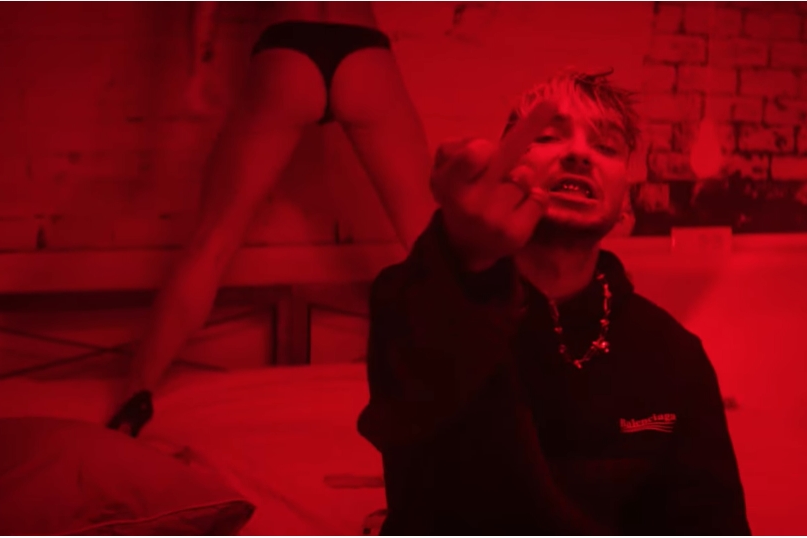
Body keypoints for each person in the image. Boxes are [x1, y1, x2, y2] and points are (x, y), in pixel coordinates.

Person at [355, 70, 752, 535]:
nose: (579, 153)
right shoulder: (416, 299)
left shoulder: (673, 353)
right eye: (547, 137)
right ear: (507, 173)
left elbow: (711, 521)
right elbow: (407, 414)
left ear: (626, 203)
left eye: (606, 147)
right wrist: (463, 252)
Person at [107, 2, 435, 436]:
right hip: (362, 48)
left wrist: (196, 71)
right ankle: (490, 379)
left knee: (213, 242)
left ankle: (135, 394)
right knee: (433, 240)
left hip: (288, 46)